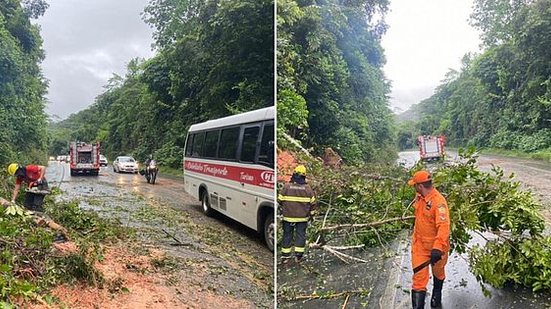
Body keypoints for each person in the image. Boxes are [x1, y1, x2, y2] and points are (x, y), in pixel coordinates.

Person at [407, 170, 450, 308]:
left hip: (436, 247)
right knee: (418, 280)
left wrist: (437, 248)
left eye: (415, 185)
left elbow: (444, 226)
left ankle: (437, 292)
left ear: (420, 186)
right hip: (419, 245)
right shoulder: (419, 197)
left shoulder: (439, 202)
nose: (414, 187)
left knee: (438, 272)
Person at [277, 165, 317, 263]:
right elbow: (313, 204)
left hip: (288, 218)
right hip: (302, 218)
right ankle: (298, 256)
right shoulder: (308, 189)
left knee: (287, 235)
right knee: (300, 236)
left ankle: (285, 256)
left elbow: (279, 200)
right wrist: (312, 216)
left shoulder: (286, 187)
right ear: (304, 176)